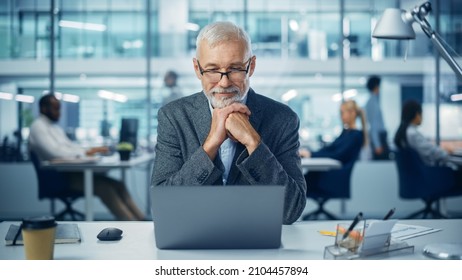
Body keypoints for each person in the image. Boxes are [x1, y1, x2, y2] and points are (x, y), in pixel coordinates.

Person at [151, 21, 307, 225]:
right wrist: (210, 145)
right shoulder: (173, 116)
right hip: (193, 237)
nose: (224, 82)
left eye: (234, 69)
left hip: (258, 240)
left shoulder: (282, 119)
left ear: (251, 66)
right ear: (197, 69)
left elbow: (291, 210)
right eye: (213, 70)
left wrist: (254, 143)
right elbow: (163, 207)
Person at [29, 93, 145, 221]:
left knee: (118, 185)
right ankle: (132, 223)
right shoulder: (38, 127)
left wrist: (91, 151)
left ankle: (142, 221)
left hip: (70, 172)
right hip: (58, 178)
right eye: (56, 109)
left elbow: (71, 147)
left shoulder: (54, 127)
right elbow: (55, 153)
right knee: (106, 188)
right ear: (44, 109)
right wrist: (83, 154)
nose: (59, 112)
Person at [394, 100, 462, 174]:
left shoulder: (403, 133)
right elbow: (432, 151)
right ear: (417, 114)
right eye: (421, 114)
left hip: (418, 175)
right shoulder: (412, 134)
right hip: (427, 175)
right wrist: (445, 153)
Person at [299, 100, 367, 164]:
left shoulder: (356, 135)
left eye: (342, 113)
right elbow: (330, 148)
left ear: (352, 113)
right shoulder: (346, 132)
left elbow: (338, 155)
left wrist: (311, 155)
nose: (341, 116)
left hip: (338, 173)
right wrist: (310, 153)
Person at [365, 75, 390, 160]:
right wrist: (377, 145)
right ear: (376, 86)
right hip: (379, 138)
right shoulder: (372, 103)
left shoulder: (375, 101)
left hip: (380, 137)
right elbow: (374, 125)